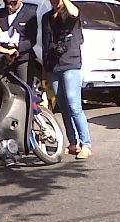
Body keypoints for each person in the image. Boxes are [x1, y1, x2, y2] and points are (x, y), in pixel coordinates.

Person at [42, 0, 91, 159]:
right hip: (53, 66)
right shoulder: (47, 17)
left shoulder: (70, 14)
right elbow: (45, 42)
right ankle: (73, 142)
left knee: (74, 104)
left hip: (70, 64)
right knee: (63, 105)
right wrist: (45, 68)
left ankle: (86, 144)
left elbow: (75, 13)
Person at [0, 0, 39, 89]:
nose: (10, 6)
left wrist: (18, 46)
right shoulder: (0, 13)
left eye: (13, 3)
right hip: (4, 59)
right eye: (7, 3)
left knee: (24, 89)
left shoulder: (30, 13)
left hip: (22, 59)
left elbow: (31, 40)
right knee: (4, 89)